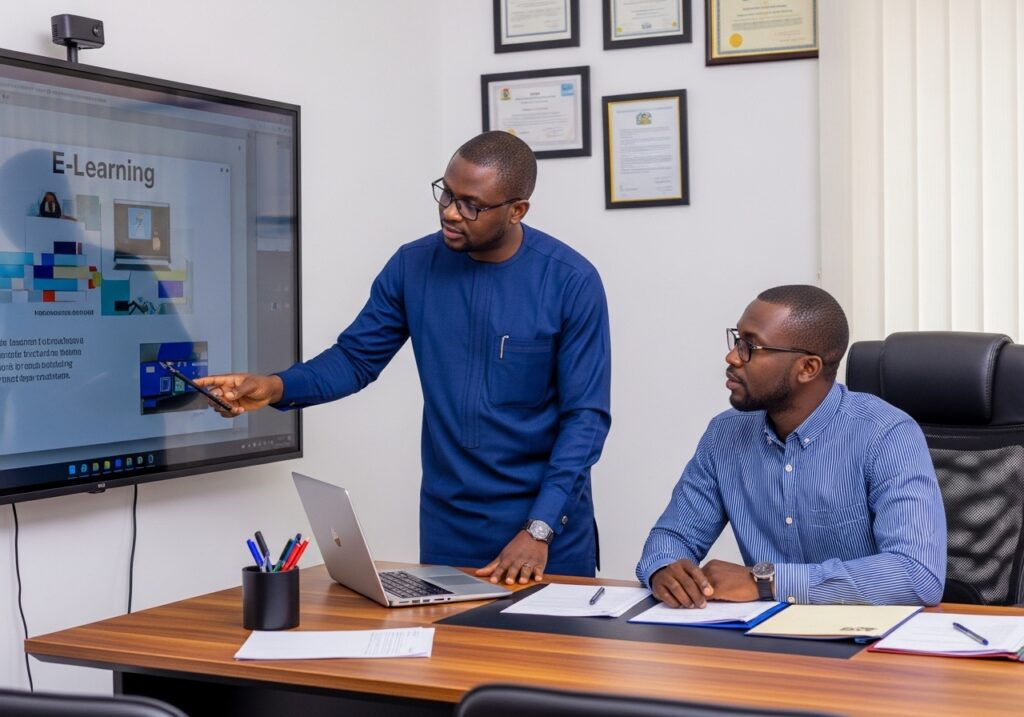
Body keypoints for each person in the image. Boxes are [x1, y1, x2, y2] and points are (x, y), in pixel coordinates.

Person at [198, 131, 611, 584]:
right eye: (447, 194)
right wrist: (275, 387)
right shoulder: (413, 266)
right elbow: (355, 359)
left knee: (547, 656)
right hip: (450, 527)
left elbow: (585, 419)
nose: (451, 212)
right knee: (453, 653)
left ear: (517, 210)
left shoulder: (571, 281)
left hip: (546, 532)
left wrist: (540, 529)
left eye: (471, 204)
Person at [636, 285, 946, 607]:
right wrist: (664, 569)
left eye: (750, 347)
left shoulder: (886, 435)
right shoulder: (724, 435)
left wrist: (767, 582)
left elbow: (916, 573)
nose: (731, 357)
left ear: (808, 369)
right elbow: (673, 537)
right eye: (736, 340)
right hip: (762, 639)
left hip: (863, 642)